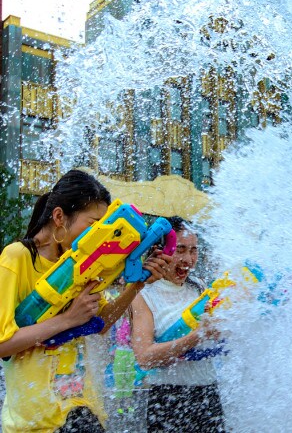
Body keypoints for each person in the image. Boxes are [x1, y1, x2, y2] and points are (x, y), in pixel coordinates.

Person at [0, 169, 169, 432]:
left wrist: (137, 285)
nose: (98, 236)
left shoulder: (82, 264)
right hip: (33, 422)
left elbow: (100, 324)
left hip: (83, 411)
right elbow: (3, 344)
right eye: (92, 226)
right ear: (59, 217)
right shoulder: (17, 258)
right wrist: (67, 319)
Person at [130, 216, 226, 433]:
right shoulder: (143, 294)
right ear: (160, 251)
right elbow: (144, 357)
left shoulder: (199, 287)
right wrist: (195, 336)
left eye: (193, 251)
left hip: (208, 394)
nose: (189, 259)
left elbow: (214, 333)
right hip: (168, 399)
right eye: (180, 250)